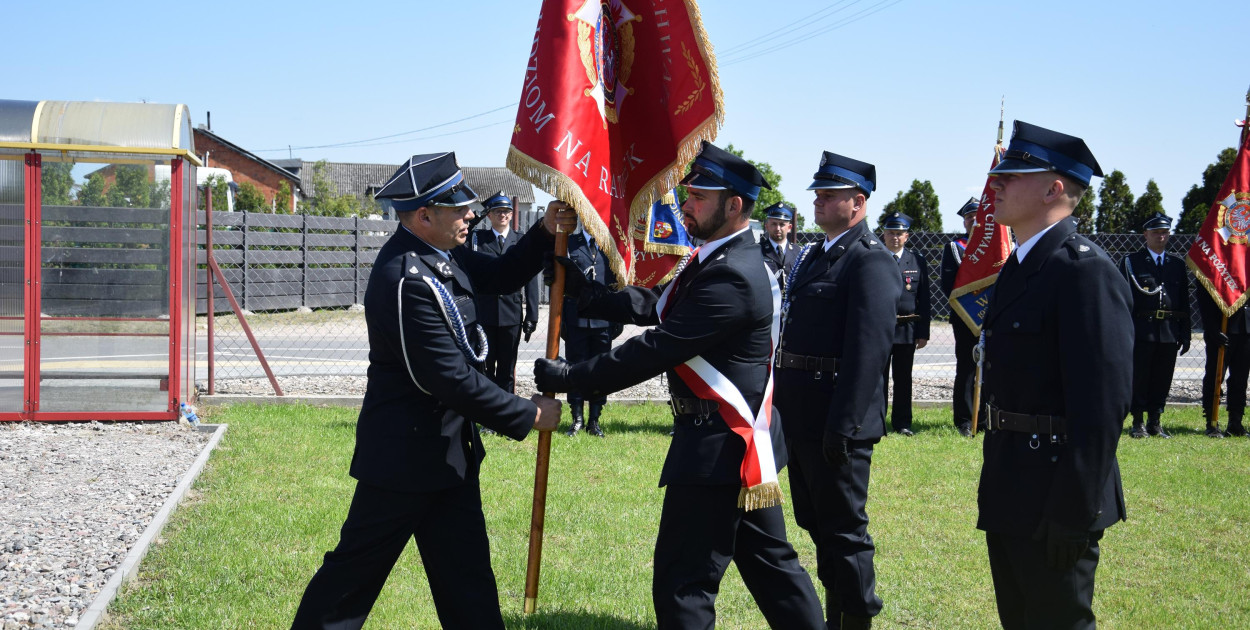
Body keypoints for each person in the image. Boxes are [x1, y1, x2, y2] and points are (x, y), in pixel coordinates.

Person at [534, 141, 825, 629]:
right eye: (690, 193)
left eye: (699, 197)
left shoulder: (732, 274)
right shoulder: (717, 257)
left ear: (733, 206)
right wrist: (590, 294)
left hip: (719, 449)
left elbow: (659, 346)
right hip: (733, 445)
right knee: (774, 570)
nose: (687, 203)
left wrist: (573, 377)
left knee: (683, 584)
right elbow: (657, 304)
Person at [290, 153, 571, 630]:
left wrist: (544, 231)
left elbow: (500, 277)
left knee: (469, 589)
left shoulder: (443, 254)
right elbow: (447, 379)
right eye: (459, 208)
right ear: (424, 215)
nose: (470, 215)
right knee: (349, 585)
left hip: (449, 457)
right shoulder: (405, 277)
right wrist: (527, 414)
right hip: (403, 461)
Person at [979, 121, 1131, 629]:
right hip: (1010, 483)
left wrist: (1074, 509)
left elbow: (1102, 407)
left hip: (1055, 490)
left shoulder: (1083, 271)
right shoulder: (1020, 267)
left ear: (1054, 188)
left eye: (1011, 175)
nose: (995, 183)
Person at [774, 150, 902, 630]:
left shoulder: (869, 262)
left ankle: (856, 620)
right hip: (802, 416)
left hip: (836, 420)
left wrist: (844, 426)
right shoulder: (815, 256)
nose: (819, 201)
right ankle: (837, 616)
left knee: (845, 531)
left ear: (859, 201)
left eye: (830, 195)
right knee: (817, 524)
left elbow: (868, 355)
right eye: (818, 194)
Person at [1118, 212, 1191, 439]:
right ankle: (1138, 422)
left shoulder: (1177, 265)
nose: (1161, 236)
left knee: (1162, 377)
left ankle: (1155, 422)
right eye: (1156, 232)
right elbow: (1122, 300)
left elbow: (1184, 302)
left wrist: (1185, 334)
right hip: (1142, 329)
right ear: (1145, 235)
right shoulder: (1132, 262)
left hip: (1168, 330)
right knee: (1140, 377)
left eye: (1165, 232)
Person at [468, 191, 540, 396]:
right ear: (489, 215)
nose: (503, 215)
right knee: (485, 366)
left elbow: (531, 279)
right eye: (497, 211)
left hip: (511, 314)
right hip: (485, 313)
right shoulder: (477, 239)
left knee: (507, 368)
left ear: (511, 215)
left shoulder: (521, 240)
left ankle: (506, 413)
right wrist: (478, 216)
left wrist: (532, 315)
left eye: (507, 211)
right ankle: (488, 413)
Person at [559, 222, 615, 437]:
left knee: (600, 370)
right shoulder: (570, 243)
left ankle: (594, 420)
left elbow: (615, 281)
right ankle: (577, 419)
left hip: (603, 318)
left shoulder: (609, 245)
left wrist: (616, 317)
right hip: (576, 318)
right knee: (575, 368)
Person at [880, 211, 930, 436]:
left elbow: (924, 298)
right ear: (884, 234)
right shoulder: (875, 257)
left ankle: (902, 423)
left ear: (907, 236)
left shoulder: (916, 260)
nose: (895, 238)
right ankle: (877, 421)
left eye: (899, 234)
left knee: (903, 379)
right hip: (879, 328)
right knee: (877, 378)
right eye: (891, 233)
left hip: (906, 329)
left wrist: (923, 332)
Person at [941, 198, 980, 437]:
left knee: (992, 367)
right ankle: (965, 420)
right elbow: (948, 285)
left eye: (978, 216)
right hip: (965, 317)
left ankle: (986, 416)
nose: (973, 220)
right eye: (969, 217)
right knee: (966, 368)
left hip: (992, 318)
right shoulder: (955, 247)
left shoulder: (1001, 246)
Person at [1197, 287, 1249, 438]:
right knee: (1215, 376)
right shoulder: (1217, 262)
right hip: (1221, 325)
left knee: (1240, 377)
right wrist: (1212, 328)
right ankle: (1212, 422)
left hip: (1245, 327)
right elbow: (1204, 293)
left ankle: (1236, 422)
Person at [759, 201, 798, 293]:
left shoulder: (799, 252)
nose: (778, 228)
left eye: (782, 224)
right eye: (774, 224)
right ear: (767, 226)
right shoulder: (757, 250)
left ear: (789, 227)